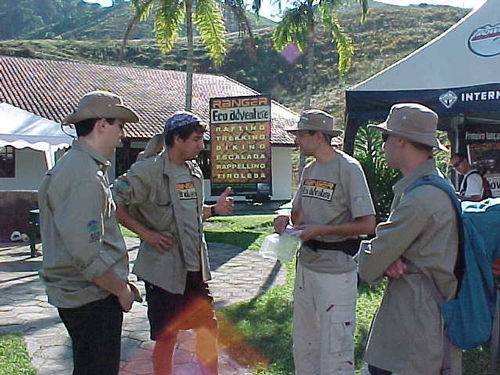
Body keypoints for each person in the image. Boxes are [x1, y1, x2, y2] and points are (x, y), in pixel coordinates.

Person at [113, 111, 234, 375]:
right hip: (163, 269)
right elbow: (113, 204)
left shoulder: (193, 171)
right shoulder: (148, 171)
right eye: (195, 139)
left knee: (207, 328)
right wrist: (146, 234)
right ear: (176, 139)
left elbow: (189, 210)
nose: (201, 146)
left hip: (193, 267)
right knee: (167, 337)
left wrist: (214, 209)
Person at [38, 90, 141, 375]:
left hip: (88, 294)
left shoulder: (81, 167)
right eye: (120, 125)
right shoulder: (83, 174)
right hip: (91, 299)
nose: (122, 134)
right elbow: (87, 256)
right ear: (101, 124)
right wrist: (121, 291)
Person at [358, 103, 462, 375]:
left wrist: (380, 255)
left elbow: (368, 267)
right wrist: (389, 255)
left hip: (411, 333)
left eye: (386, 137)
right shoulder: (430, 187)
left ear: (401, 141)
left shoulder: (420, 198)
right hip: (417, 325)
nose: (383, 146)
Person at [274, 109, 376, 375]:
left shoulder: (349, 168)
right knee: (305, 345)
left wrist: (323, 230)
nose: (297, 141)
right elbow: (298, 212)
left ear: (318, 136)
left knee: (335, 349)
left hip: (336, 271)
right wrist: (285, 217)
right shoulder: (309, 169)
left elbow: (367, 224)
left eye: (301, 135)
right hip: (306, 267)